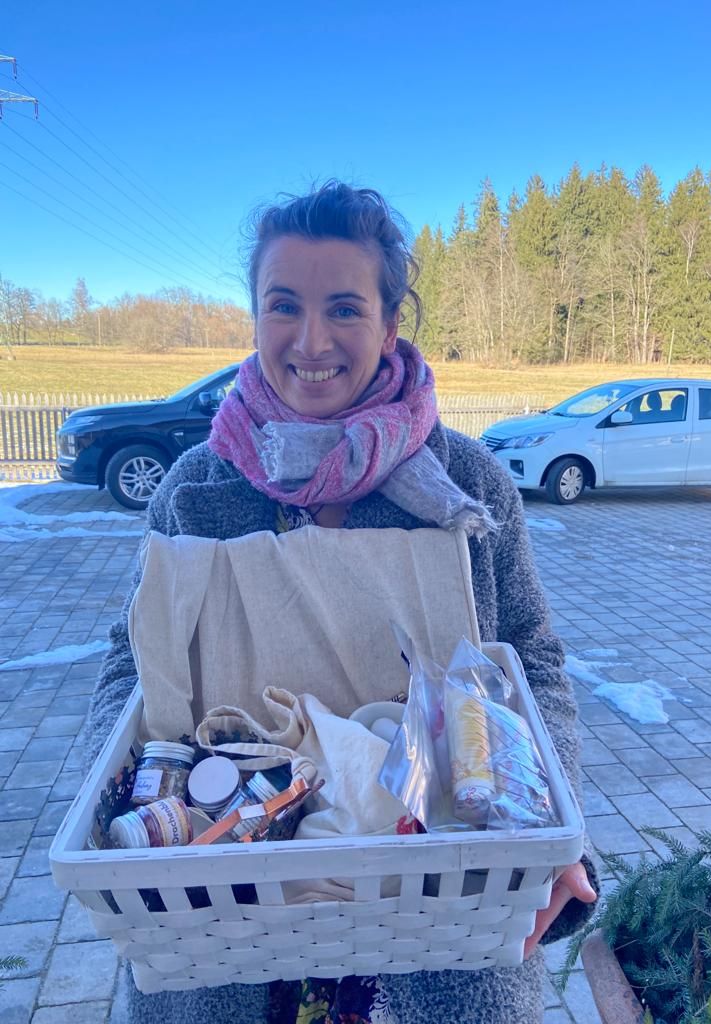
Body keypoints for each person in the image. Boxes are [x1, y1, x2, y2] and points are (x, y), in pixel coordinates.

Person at [85, 182, 598, 1024]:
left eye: (346, 310)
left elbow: (529, 657)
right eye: (284, 305)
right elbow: (131, 661)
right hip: (219, 917)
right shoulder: (197, 487)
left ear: (391, 326)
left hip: (442, 906)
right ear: (255, 315)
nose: (311, 340)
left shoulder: (465, 482)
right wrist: (115, 818)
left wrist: (557, 838)